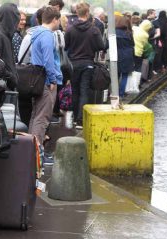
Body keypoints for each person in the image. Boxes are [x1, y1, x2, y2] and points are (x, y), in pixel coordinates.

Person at [29, 6, 63, 160]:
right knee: (43, 117)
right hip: (46, 81)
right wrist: (53, 80)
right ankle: (38, 153)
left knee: (36, 115)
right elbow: (48, 60)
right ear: (55, 19)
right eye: (59, 20)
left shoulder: (35, 33)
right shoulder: (48, 35)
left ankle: (30, 149)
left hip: (36, 79)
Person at [64, 2, 104, 128]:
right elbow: (101, 46)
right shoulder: (94, 30)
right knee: (84, 91)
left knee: (75, 91)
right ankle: (81, 121)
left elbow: (66, 46)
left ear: (77, 13)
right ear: (87, 13)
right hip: (88, 63)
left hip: (74, 64)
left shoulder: (70, 28)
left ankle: (76, 118)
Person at [0, 3, 20, 90]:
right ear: (10, 18)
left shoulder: (5, 34)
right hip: (3, 88)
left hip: (7, 85)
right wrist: (11, 77)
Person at [116, 16, 134, 97]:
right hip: (127, 55)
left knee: (116, 75)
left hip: (117, 54)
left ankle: (114, 93)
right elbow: (132, 44)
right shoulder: (129, 33)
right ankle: (121, 94)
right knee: (125, 75)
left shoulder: (115, 32)